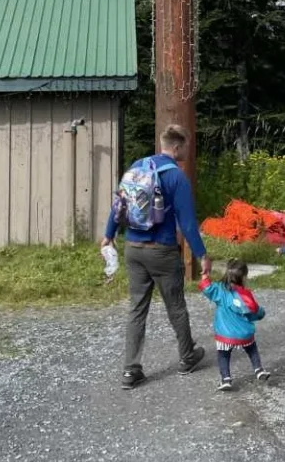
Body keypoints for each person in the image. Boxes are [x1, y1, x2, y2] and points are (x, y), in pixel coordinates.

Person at [101, 124, 211, 389]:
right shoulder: (176, 177)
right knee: (176, 306)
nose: (187, 150)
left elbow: (119, 205)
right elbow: (187, 223)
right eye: (185, 146)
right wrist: (202, 255)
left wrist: (109, 234)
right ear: (177, 147)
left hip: (134, 249)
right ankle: (187, 357)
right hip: (162, 251)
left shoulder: (137, 167)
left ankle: (131, 370)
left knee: (137, 308)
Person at [199, 259, 270, 392]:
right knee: (252, 349)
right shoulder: (246, 295)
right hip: (244, 333)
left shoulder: (219, 290)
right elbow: (256, 312)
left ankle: (226, 379)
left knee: (223, 355)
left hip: (225, 334)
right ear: (244, 277)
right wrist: (262, 313)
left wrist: (205, 274)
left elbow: (206, 287)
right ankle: (259, 370)